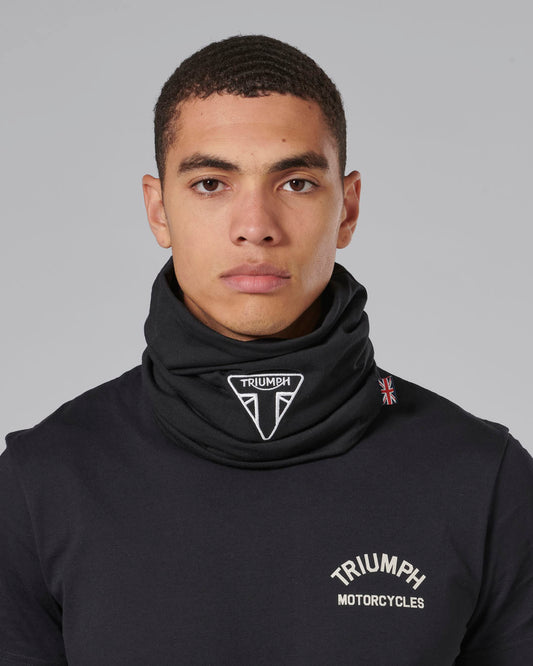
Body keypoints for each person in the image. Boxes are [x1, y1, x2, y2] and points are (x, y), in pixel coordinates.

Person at [1, 34, 532, 665]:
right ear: (158, 210)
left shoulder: (485, 479)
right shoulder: (41, 483)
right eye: (211, 184)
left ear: (347, 208)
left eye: (297, 182)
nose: (255, 226)